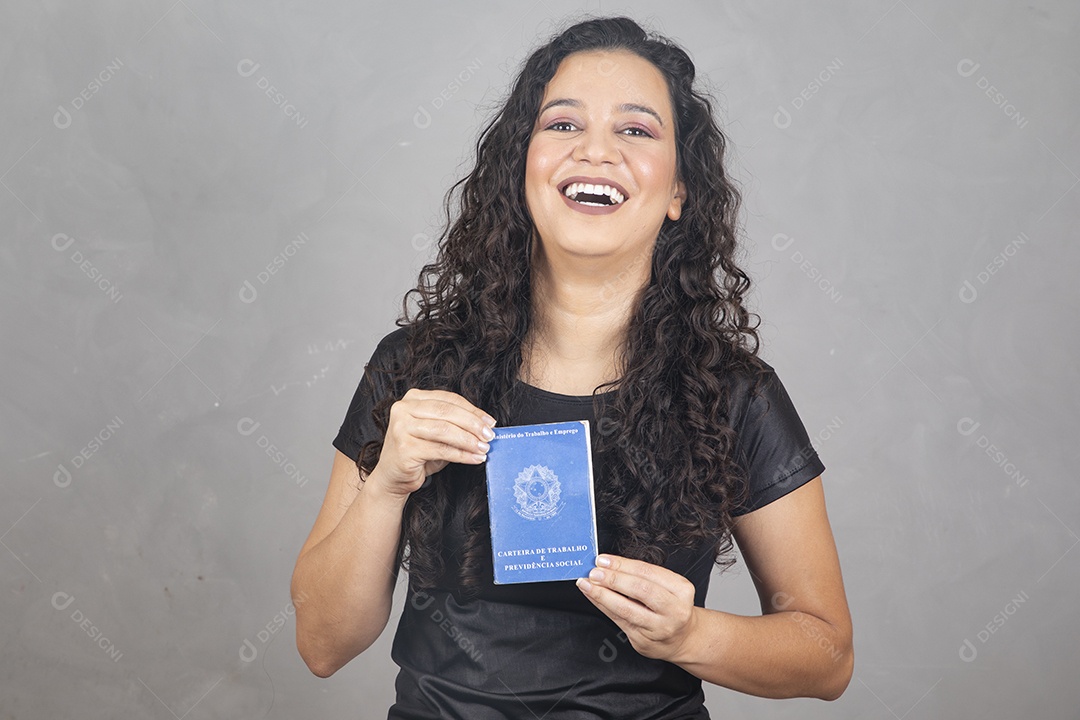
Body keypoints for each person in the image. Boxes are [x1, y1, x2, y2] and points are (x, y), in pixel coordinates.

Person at [291, 15, 853, 718]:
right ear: (520, 168)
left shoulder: (732, 395)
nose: (596, 149)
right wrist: (385, 488)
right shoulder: (414, 368)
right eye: (562, 125)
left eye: (637, 130)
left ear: (679, 191)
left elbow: (827, 657)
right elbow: (322, 644)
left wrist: (691, 634)